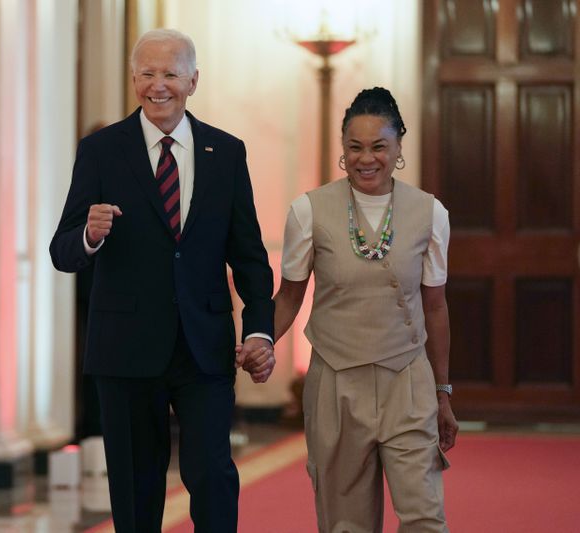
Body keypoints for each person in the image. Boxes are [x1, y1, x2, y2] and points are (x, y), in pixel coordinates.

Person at [49, 29, 275, 533]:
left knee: (213, 475)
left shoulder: (227, 152)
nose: (159, 86)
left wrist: (259, 331)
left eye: (170, 74)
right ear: (133, 79)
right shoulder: (102, 151)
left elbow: (250, 257)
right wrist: (88, 234)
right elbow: (62, 251)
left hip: (204, 347)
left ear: (193, 80)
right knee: (136, 488)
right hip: (125, 352)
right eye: (147, 74)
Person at [273, 87, 459, 532]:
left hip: (408, 381)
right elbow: (289, 296)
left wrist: (443, 392)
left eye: (379, 146)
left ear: (398, 147)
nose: (366, 158)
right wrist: (257, 341)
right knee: (346, 523)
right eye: (354, 147)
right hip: (337, 383)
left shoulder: (430, 213)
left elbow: (435, 306)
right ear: (342, 149)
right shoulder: (308, 211)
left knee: (425, 517)